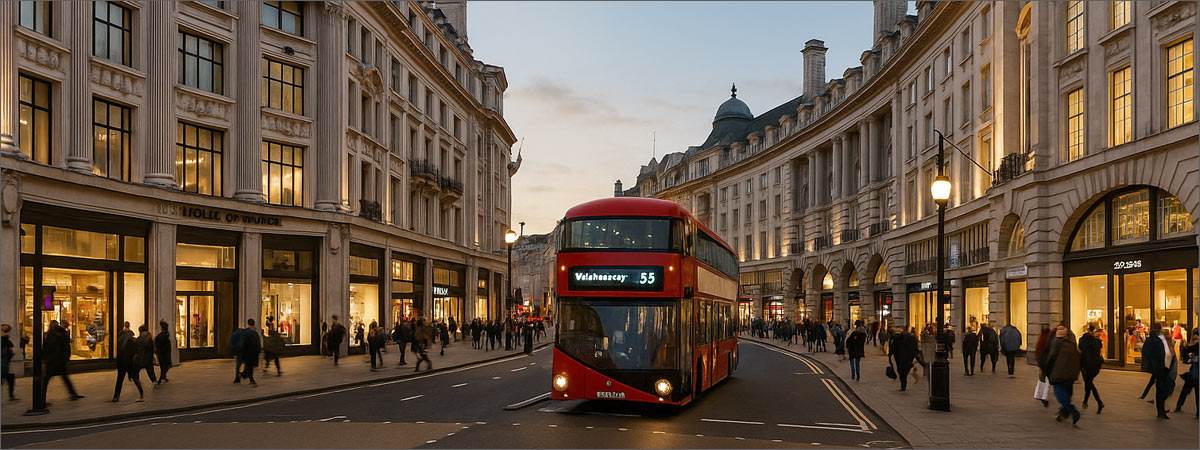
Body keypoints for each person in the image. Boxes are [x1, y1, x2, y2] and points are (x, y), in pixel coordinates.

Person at [1045, 325, 1081, 424]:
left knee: (1059, 393)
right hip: (1071, 374)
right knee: (1068, 393)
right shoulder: (1072, 344)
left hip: (1059, 373)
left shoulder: (1056, 343)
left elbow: (1051, 358)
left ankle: (1072, 410)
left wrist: (1047, 370)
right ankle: (1064, 413)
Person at [1141, 323, 1178, 419]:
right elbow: (1153, 354)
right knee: (1162, 389)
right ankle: (1161, 411)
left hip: (1160, 367)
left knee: (1161, 388)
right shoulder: (1155, 340)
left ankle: (1161, 410)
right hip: (1160, 367)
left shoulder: (1155, 339)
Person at [42, 320, 84, 400]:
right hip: (59, 360)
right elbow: (65, 346)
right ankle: (73, 394)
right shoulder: (61, 333)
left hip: (53, 361)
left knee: (46, 380)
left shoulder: (50, 335)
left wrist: (46, 358)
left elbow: (47, 348)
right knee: (63, 378)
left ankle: (41, 399)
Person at [112, 321, 144, 402]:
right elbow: (135, 352)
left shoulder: (120, 338)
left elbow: (119, 351)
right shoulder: (132, 339)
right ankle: (141, 394)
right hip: (129, 362)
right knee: (135, 378)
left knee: (119, 380)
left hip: (122, 362)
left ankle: (116, 396)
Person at [1078, 325, 1104, 414]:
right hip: (1095, 366)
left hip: (1085, 365)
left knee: (1088, 383)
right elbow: (1100, 348)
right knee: (1089, 383)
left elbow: (1080, 349)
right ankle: (1088, 402)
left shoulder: (1082, 340)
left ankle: (1097, 402)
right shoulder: (1097, 341)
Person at [1174, 327, 1198, 417]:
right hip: (1194, 370)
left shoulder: (1196, 345)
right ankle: (1179, 406)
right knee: (1189, 390)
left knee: (1189, 389)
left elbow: (1186, 350)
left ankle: (1179, 406)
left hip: (1195, 371)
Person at [888, 327, 918, 391]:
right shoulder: (910, 337)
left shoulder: (896, 339)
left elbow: (892, 349)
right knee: (903, 371)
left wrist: (890, 357)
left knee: (901, 371)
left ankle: (903, 385)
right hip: (906, 358)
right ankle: (903, 385)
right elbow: (914, 348)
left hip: (901, 358)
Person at [1034, 324, 1053, 408]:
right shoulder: (1049, 340)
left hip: (1042, 362)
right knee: (1048, 380)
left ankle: (1038, 394)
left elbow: (1037, 352)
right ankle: (1044, 396)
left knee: (1042, 379)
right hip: (1047, 362)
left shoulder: (1040, 339)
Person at [2, 324, 17, 401]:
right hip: (4, 365)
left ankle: (11, 395)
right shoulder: (8, 341)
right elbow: (13, 352)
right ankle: (11, 396)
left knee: (9, 378)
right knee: (10, 378)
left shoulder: (7, 341)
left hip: (4, 365)